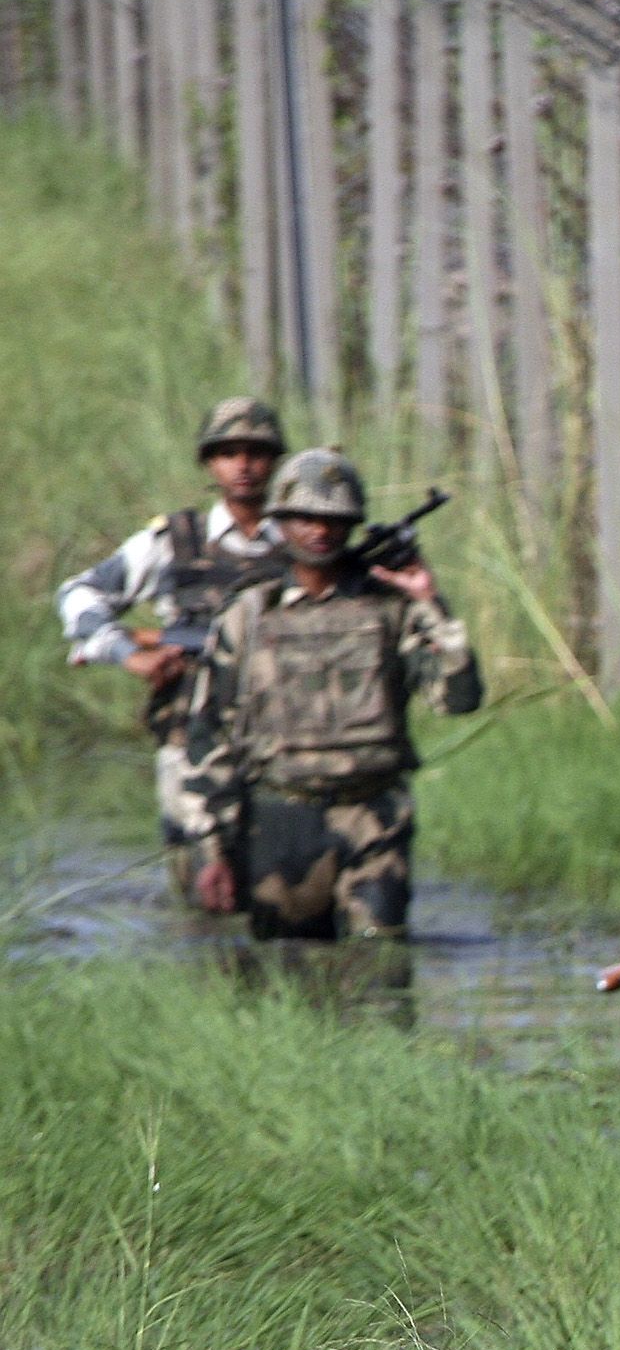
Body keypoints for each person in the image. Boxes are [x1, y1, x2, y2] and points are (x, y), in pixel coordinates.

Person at [175, 447, 479, 942]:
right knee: (287, 968)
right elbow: (209, 735)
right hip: (280, 818)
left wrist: (430, 600)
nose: (320, 532)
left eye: (334, 521)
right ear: (281, 522)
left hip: (373, 815)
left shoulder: (391, 609)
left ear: (353, 524)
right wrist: (213, 849)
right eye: (305, 519)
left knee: (382, 958)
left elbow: (459, 699)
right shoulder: (249, 616)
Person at [54, 396, 291, 903]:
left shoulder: (304, 540)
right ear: (209, 462)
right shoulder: (175, 542)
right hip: (192, 739)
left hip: (287, 742)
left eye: (256, 451)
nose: (244, 465)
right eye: (228, 452)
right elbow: (80, 594)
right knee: (202, 892)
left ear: (276, 460)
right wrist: (127, 654)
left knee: (290, 894)